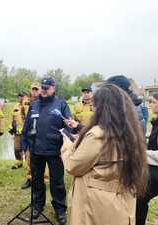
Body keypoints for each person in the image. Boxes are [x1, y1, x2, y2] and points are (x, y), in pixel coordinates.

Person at [61, 84, 148, 225]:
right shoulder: (130, 131)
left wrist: (67, 146)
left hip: (96, 207)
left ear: (102, 107)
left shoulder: (97, 135)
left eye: (95, 104)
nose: (93, 108)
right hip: (121, 203)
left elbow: (73, 166)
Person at [22, 77, 71, 225]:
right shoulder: (34, 104)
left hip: (55, 151)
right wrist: (24, 146)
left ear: (53, 88)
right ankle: (37, 205)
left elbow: (68, 126)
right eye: (42, 87)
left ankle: (60, 209)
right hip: (36, 150)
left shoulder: (61, 104)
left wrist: (67, 145)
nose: (43, 90)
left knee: (57, 182)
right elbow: (27, 126)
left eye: (46, 88)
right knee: (37, 180)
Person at [136, 90, 158, 225]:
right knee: (139, 200)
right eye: (150, 101)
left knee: (139, 200)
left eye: (154, 102)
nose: (150, 105)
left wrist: (140, 153)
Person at [21, 82, 41, 189]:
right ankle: (29, 179)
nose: (34, 91)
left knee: (41, 160)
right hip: (28, 132)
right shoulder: (26, 102)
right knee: (29, 158)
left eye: (36, 89)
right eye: (33, 89)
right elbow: (22, 115)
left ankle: (43, 180)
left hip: (39, 134)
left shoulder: (43, 102)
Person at [9, 92, 27, 169]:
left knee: (26, 149)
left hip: (26, 132)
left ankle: (28, 165)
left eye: (22, 96)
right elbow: (13, 118)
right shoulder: (15, 106)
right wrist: (11, 128)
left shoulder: (28, 106)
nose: (20, 98)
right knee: (17, 148)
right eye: (19, 96)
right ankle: (19, 162)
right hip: (17, 132)